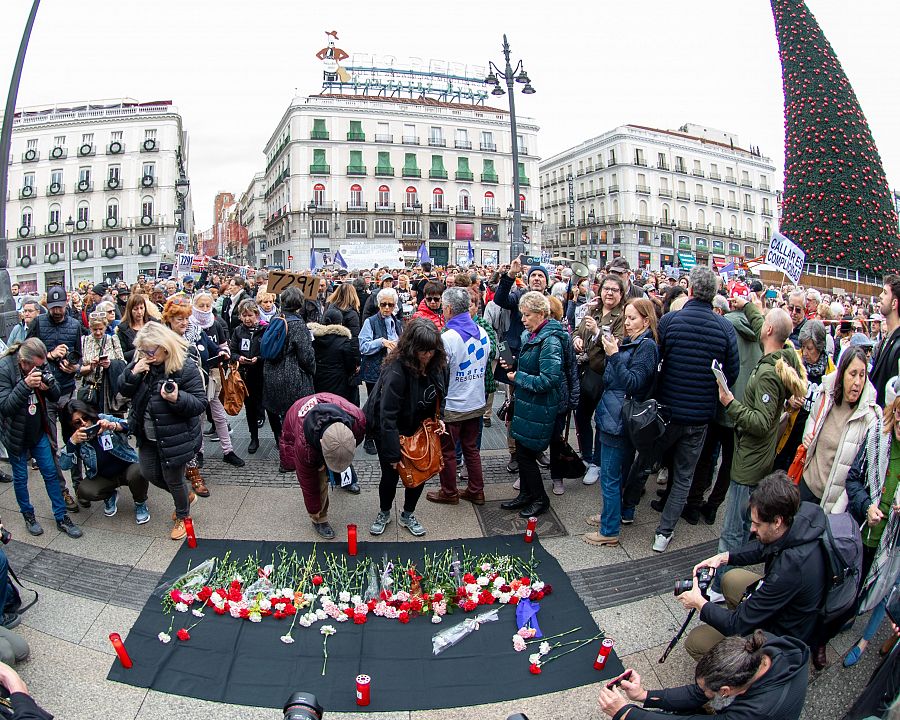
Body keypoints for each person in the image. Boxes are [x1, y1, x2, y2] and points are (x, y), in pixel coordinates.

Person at [636, 266, 740, 553]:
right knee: (683, 476)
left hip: (667, 411)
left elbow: (656, 360)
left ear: (691, 290)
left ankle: (627, 509)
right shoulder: (725, 328)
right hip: (699, 416)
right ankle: (664, 532)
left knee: (647, 461)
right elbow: (731, 372)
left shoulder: (670, 320)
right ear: (715, 294)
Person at [680, 471, 827, 660]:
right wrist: (724, 557)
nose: (752, 529)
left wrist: (699, 603)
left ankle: (743, 679)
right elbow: (765, 545)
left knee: (697, 641)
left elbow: (736, 624)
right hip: (787, 606)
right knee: (731, 578)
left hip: (782, 635)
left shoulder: (790, 569)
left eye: (757, 524)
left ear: (777, 522)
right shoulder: (801, 515)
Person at [118, 322, 207, 541]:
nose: (147, 355)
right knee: (149, 472)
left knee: (173, 479)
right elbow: (123, 388)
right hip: (147, 434)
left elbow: (199, 403)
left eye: (150, 350)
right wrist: (133, 372)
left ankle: (183, 517)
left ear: (165, 346)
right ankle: (185, 497)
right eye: (143, 350)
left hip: (175, 437)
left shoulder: (184, 367)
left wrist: (177, 399)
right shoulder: (141, 363)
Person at [598, 630, 808, 720]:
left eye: (708, 690)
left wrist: (625, 714)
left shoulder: (757, 711)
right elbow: (698, 693)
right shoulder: (755, 648)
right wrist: (644, 695)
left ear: (726, 691)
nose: (702, 691)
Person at [685, 294, 765, 525]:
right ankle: (713, 506)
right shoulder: (763, 335)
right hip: (743, 408)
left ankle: (693, 503)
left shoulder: (724, 323)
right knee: (729, 462)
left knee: (705, 455)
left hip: (720, 401)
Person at [585, 298, 659, 545]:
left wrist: (614, 356)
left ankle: (608, 531)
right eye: (626, 318)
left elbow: (634, 383)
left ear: (646, 320)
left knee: (610, 476)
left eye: (633, 318)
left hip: (618, 420)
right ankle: (614, 514)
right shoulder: (633, 341)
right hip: (615, 415)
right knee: (617, 473)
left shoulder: (647, 347)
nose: (627, 323)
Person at [364, 319, 446, 538]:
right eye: (423, 351)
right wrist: (392, 453)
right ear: (411, 349)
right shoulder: (396, 371)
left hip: (417, 429)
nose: (428, 356)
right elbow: (387, 415)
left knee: (419, 474)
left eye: (431, 351)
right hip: (390, 430)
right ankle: (384, 512)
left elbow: (438, 394)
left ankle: (408, 514)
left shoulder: (435, 363)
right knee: (390, 476)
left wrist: (440, 419)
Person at [0, 338, 83, 538]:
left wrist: (49, 387)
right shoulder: (5, 368)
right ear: (24, 362)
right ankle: (28, 515)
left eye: (41, 365)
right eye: (36, 367)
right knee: (20, 478)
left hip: (38, 430)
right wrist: (25, 385)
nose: (39, 369)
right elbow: (5, 407)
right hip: (15, 436)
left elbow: (55, 395)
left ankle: (61, 516)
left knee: (50, 472)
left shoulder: (40, 362)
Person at [842, 392, 900, 668]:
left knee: (874, 588)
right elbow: (852, 478)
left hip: (888, 544)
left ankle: (857, 631)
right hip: (861, 531)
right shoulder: (877, 435)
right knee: (846, 583)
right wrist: (866, 505)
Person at [426, 287, 492, 506]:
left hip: (453, 405)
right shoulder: (482, 333)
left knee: (448, 451)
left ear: (448, 308)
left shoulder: (448, 338)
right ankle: (476, 490)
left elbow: (439, 376)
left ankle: (449, 492)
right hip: (475, 401)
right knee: (471, 448)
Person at [501, 291, 562, 518]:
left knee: (526, 455)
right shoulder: (535, 336)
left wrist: (518, 378)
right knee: (524, 452)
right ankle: (527, 494)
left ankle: (539, 498)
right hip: (529, 404)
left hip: (539, 405)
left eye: (527, 315)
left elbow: (549, 379)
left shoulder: (550, 340)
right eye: (522, 315)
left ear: (540, 314)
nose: (523, 320)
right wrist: (515, 364)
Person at [26, 285, 87, 513]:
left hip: (67, 390)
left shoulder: (74, 325)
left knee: (74, 438)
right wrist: (49, 356)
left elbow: (80, 357)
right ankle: (63, 490)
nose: (57, 311)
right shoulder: (39, 323)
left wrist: (74, 367)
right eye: (53, 308)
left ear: (66, 305)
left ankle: (80, 484)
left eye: (60, 307)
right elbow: (26, 354)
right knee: (52, 445)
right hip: (44, 394)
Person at [799, 345, 880, 511]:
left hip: (832, 504)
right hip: (807, 485)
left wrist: (836, 513)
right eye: (852, 374)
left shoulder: (869, 418)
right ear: (842, 373)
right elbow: (813, 419)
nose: (857, 382)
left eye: (862, 375)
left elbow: (858, 474)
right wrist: (808, 435)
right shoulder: (827, 394)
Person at [280, 392, 366, 538]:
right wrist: (314, 508)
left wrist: (341, 457)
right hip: (298, 420)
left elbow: (346, 446)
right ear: (320, 445)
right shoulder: (305, 448)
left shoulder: (357, 420)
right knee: (319, 481)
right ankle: (319, 519)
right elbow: (308, 484)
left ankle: (345, 480)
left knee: (340, 451)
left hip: (332, 424)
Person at [573, 274, 626, 484]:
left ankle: (597, 462)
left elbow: (618, 344)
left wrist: (596, 333)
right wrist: (576, 337)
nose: (609, 293)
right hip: (584, 371)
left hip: (603, 374)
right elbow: (578, 329)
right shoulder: (592, 309)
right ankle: (586, 456)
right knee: (581, 415)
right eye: (606, 289)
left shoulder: (621, 316)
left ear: (621, 294)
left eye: (614, 290)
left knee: (601, 420)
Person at [60, 399, 150, 524]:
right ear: (71, 425)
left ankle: (140, 503)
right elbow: (64, 465)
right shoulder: (76, 438)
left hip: (127, 466)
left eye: (85, 418)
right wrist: (72, 442)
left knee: (139, 471)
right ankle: (109, 495)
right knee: (84, 491)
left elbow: (133, 425)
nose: (84, 424)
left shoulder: (102, 419)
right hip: (103, 476)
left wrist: (113, 426)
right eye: (77, 422)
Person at [189, 292, 244, 468]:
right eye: (201, 305)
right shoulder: (189, 325)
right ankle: (199, 452)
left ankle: (228, 450)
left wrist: (224, 353)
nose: (205, 309)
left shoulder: (216, 322)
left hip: (214, 374)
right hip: (196, 377)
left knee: (219, 415)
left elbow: (222, 344)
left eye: (208, 305)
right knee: (200, 416)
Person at [773, 319, 836, 472]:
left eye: (810, 348)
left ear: (820, 347)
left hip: (807, 438)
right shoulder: (795, 360)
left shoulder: (831, 373)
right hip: (787, 432)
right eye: (803, 347)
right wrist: (789, 400)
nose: (805, 353)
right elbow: (778, 390)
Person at [263, 286, 316, 446]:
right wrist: (312, 370)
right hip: (292, 376)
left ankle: (281, 443)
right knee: (295, 415)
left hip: (271, 372)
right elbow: (306, 356)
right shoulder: (299, 325)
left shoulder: (275, 319)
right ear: (299, 304)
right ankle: (292, 450)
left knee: (277, 413)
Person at [229, 299, 266, 454]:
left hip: (262, 373)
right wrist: (239, 358)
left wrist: (259, 357)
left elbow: (269, 350)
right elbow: (233, 350)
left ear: (256, 315)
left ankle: (278, 437)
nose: (247, 319)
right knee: (250, 408)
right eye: (244, 315)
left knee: (268, 406)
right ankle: (254, 438)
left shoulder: (265, 329)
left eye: (250, 315)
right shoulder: (238, 331)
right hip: (246, 375)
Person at [309, 306, 361, 403]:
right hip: (339, 386)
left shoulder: (314, 339)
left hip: (319, 384)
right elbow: (351, 366)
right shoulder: (344, 341)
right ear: (340, 323)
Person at [359, 287, 403, 398]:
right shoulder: (370, 321)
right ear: (379, 304)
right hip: (375, 372)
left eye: (390, 305)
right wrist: (381, 342)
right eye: (384, 304)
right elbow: (363, 347)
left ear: (395, 306)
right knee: (374, 404)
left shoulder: (397, 323)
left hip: (393, 371)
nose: (387, 308)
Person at [79, 311, 125, 415]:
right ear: (90, 328)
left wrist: (110, 364)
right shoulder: (84, 341)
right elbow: (78, 370)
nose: (98, 332)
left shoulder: (113, 339)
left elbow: (122, 363)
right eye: (95, 329)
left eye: (101, 329)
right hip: (90, 389)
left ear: (106, 327)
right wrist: (91, 367)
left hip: (108, 389)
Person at [871, 276, 900, 408]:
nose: (880, 296)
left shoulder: (898, 346)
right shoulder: (887, 339)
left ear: (894, 303)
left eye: (885, 292)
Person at [117, 292, 160, 363]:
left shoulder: (154, 324)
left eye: (141, 308)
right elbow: (122, 355)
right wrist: (140, 350)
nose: (139, 312)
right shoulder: (123, 330)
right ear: (130, 311)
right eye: (135, 309)